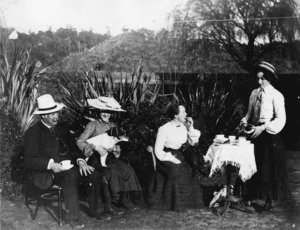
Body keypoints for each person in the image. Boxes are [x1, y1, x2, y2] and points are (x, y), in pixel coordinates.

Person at [24, 94, 94, 229]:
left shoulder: (61, 128)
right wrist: (51, 165)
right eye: (51, 114)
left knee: (92, 173)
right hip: (47, 173)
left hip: (70, 166)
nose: (56, 116)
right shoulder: (33, 132)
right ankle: (73, 217)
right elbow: (30, 159)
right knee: (71, 175)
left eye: (56, 112)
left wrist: (81, 161)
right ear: (43, 116)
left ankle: (98, 211)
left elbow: (73, 148)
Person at [238, 61, 291, 211]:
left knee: (267, 168)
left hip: (269, 136)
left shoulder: (276, 95)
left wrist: (263, 128)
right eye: (257, 79)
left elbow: (281, 119)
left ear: (269, 79)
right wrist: (245, 121)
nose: (259, 81)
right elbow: (249, 113)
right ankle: (248, 196)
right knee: (251, 165)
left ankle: (269, 200)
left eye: (262, 79)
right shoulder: (254, 93)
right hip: (254, 133)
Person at [77, 96, 142, 209]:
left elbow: (116, 143)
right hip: (96, 158)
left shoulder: (113, 125)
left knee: (127, 169)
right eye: (103, 111)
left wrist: (116, 149)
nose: (106, 114)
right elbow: (80, 141)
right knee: (113, 171)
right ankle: (113, 199)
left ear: (111, 113)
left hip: (110, 157)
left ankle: (124, 199)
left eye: (108, 112)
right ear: (98, 111)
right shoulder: (93, 125)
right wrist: (95, 147)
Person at [146, 104, 204, 211]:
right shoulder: (164, 129)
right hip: (166, 157)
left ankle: (189, 203)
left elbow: (194, 142)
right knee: (176, 171)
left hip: (181, 155)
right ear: (175, 115)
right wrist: (172, 158)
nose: (186, 114)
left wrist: (191, 127)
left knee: (190, 169)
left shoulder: (185, 126)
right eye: (183, 112)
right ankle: (176, 204)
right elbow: (158, 150)